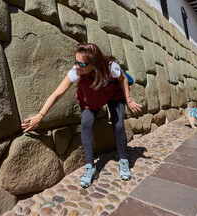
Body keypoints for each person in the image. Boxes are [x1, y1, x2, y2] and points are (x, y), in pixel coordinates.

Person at [21, 42, 142, 188]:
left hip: (113, 93)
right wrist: (40, 115)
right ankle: (90, 167)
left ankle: (123, 160)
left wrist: (128, 100)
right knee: (85, 125)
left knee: (118, 125)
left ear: (94, 64)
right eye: (76, 62)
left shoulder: (111, 67)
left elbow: (122, 79)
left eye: (82, 64)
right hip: (91, 98)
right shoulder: (76, 71)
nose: (77, 66)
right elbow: (57, 93)